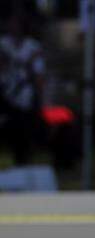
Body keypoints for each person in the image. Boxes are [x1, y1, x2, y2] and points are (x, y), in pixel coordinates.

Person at [0, 11, 45, 166]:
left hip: (24, 96)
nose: (13, 27)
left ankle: (22, 161)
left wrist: (41, 99)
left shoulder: (33, 47)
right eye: (11, 23)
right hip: (5, 94)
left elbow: (38, 74)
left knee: (23, 131)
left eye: (17, 24)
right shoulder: (3, 43)